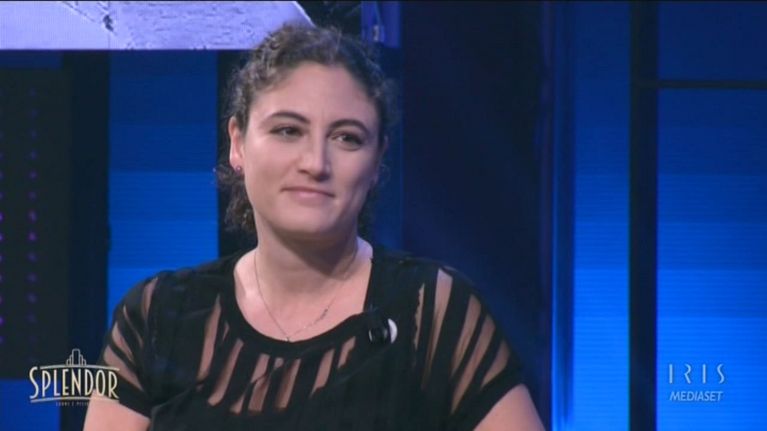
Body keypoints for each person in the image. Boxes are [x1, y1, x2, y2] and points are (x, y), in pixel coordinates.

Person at [84, 24, 545, 431]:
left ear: (377, 161)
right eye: (288, 130)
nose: (315, 163)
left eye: (347, 138)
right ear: (237, 143)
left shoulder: (431, 311)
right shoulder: (157, 317)